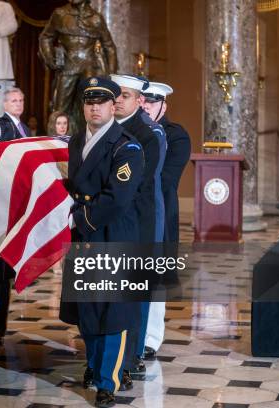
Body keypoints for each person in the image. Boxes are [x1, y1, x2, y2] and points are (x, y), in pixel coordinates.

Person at [59, 77, 143, 408]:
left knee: (112, 312)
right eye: (89, 101)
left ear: (113, 106)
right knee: (88, 309)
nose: (95, 107)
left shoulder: (127, 146)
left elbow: (117, 198)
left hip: (112, 235)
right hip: (83, 236)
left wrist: (78, 218)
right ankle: (93, 367)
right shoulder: (76, 140)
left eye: (102, 101)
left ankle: (108, 380)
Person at [111, 74, 165, 379]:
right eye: (115, 95)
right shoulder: (103, 127)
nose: (118, 100)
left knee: (135, 296)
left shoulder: (149, 132)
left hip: (139, 223)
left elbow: (140, 184)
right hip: (109, 222)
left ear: (139, 101)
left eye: (126, 96)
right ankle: (105, 357)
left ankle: (130, 358)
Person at [141, 81, 191, 360]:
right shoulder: (128, 131)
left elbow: (166, 179)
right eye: (143, 100)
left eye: (152, 101)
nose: (146, 105)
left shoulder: (176, 136)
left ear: (164, 106)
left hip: (160, 215)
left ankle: (150, 338)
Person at [39, 0, 118, 136]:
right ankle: (55, 143)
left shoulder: (96, 18)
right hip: (67, 67)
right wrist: (50, 58)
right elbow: (46, 37)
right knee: (60, 108)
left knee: (90, 106)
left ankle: (87, 140)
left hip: (89, 68)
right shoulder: (60, 14)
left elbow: (109, 46)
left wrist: (111, 76)